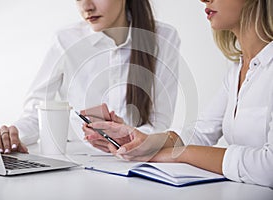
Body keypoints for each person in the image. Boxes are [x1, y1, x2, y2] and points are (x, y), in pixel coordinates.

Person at [87, 0, 273, 187]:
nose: (204, 0)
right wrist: (143, 142)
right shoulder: (238, 70)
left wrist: (181, 154)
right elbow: (200, 132)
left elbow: (269, 167)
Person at [0, 0, 181, 154]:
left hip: (135, 161)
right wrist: (13, 135)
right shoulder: (65, 40)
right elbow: (37, 112)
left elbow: (159, 123)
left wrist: (130, 137)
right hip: (77, 161)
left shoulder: (164, 38)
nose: (86, 6)